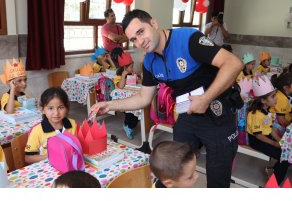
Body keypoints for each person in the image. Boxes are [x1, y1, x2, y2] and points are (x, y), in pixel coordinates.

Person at [91, 9, 244, 187]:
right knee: (171, 169)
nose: (140, 42)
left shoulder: (187, 39)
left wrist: (206, 99)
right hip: (188, 115)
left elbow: (234, 63)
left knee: (218, 180)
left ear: (154, 24)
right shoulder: (149, 61)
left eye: (141, 32)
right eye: (133, 39)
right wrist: (110, 105)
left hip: (218, 116)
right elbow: (143, 98)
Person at [247, 75, 290, 185]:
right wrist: (275, 143)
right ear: (263, 100)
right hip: (256, 140)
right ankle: (273, 186)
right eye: (272, 96)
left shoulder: (269, 110)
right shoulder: (256, 113)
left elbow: (269, 128)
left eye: (275, 95)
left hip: (266, 137)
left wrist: (280, 140)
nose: (276, 99)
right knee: (285, 158)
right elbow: (258, 135)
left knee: (286, 153)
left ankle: (272, 171)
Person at [25, 87, 77, 164]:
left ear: (67, 108)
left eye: (61, 107)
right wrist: (49, 156)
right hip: (48, 169)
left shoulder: (73, 124)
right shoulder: (37, 131)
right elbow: (28, 158)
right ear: (42, 110)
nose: (56, 113)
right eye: (50, 108)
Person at [113, 52, 141, 139]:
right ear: (125, 68)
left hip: (134, 98)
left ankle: (129, 125)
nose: (133, 68)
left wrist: (137, 78)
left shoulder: (132, 74)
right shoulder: (118, 77)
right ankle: (127, 126)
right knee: (130, 112)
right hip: (122, 101)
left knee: (136, 113)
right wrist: (124, 75)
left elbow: (140, 83)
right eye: (131, 67)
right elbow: (120, 86)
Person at [270, 72, 292, 137]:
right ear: (285, 87)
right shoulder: (282, 98)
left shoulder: (282, 95)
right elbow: (281, 121)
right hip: (278, 127)